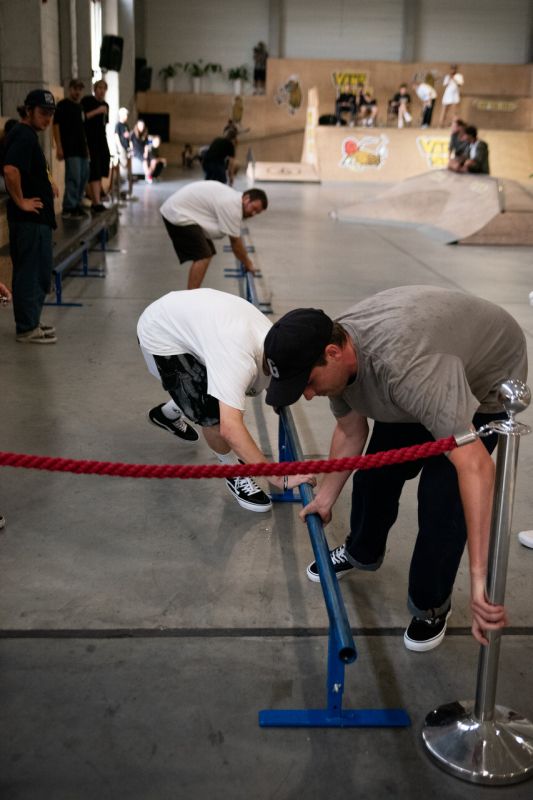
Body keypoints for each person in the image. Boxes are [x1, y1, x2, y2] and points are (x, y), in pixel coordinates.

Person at [263, 286, 527, 652]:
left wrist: (479, 582)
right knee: (374, 475)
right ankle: (363, 550)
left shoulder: (406, 370)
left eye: (308, 383)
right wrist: (325, 497)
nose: (307, 395)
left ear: (334, 353)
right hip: (432, 362)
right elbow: (350, 431)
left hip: (486, 378)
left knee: (441, 500)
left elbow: (476, 468)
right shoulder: (338, 355)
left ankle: (431, 605)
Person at [137, 288, 314, 512]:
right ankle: (231, 470)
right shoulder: (237, 361)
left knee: (214, 391)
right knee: (214, 417)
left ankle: (167, 414)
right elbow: (230, 428)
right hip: (162, 337)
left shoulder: (274, 341)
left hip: (185, 318)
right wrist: (277, 477)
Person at [3, 89, 59, 344]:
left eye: (50, 114)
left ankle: (32, 321)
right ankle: (26, 326)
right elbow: (11, 170)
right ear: (29, 110)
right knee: (29, 272)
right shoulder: (23, 135)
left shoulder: (28, 135)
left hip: (37, 220)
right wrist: (21, 202)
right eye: (43, 113)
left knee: (38, 272)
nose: (47, 119)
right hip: (29, 221)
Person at [159, 181, 268, 289]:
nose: (253, 214)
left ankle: (193, 293)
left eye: (257, 213)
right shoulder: (233, 206)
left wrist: (246, 262)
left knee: (208, 252)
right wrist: (249, 264)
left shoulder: (234, 199)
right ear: (246, 199)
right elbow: (236, 244)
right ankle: (191, 297)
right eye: (253, 208)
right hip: (178, 213)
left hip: (181, 210)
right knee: (203, 256)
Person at [52, 78, 90, 220]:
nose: (78, 92)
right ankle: (69, 207)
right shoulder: (63, 105)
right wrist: (59, 147)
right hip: (70, 148)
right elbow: (56, 126)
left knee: (84, 176)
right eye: (75, 89)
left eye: (80, 89)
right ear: (70, 89)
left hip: (82, 148)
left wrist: (86, 147)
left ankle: (77, 204)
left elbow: (83, 129)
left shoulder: (80, 107)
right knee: (73, 177)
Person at [81, 80, 110, 212]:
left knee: (102, 168)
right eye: (99, 88)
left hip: (101, 140)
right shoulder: (87, 101)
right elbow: (82, 118)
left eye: (104, 88)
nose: (102, 91)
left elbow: (104, 124)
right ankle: (96, 201)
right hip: (90, 140)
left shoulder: (106, 105)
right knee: (94, 170)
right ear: (94, 89)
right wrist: (97, 111)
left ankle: (97, 198)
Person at [114, 106, 133, 199]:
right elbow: (117, 137)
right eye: (125, 114)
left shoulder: (126, 125)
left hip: (127, 149)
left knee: (127, 170)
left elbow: (128, 137)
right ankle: (121, 191)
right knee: (123, 169)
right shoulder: (118, 125)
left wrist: (130, 146)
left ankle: (126, 191)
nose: (127, 116)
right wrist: (120, 148)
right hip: (122, 149)